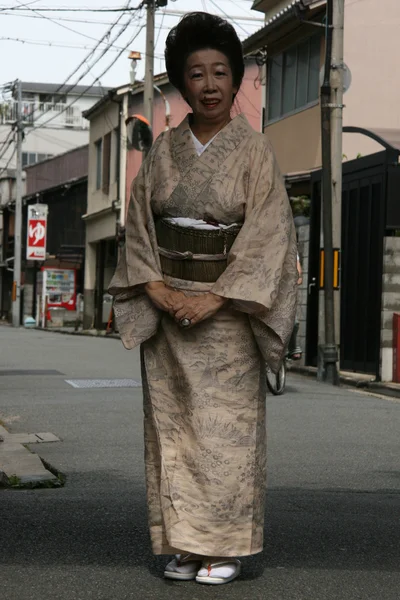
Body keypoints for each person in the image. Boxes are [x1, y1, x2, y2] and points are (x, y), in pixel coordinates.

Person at [109, 12, 298, 586]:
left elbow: (270, 237)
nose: (210, 84)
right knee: (172, 433)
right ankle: (186, 546)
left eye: (221, 71)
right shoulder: (163, 152)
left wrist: (216, 299)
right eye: (197, 73)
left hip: (229, 319)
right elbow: (139, 229)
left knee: (226, 436)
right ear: (181, 81)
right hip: (168, 313)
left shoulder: (255, 152)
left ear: (237, 79)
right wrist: (160, 291)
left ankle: (228, 549)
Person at [287, 253, 303, 360]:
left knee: (294, 323)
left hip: (286, 292)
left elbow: (299, 273)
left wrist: (298, 278)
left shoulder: (292, 250)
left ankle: (292, 348)